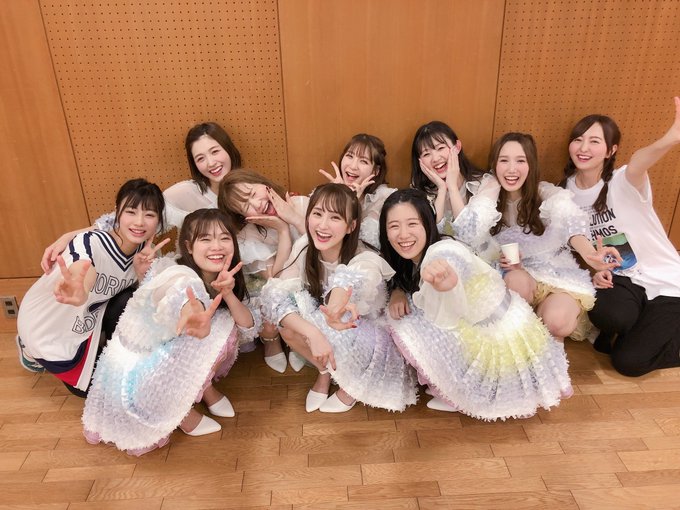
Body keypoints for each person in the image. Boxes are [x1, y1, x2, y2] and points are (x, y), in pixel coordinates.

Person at [380, 189, 572, 420]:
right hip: (501, 328)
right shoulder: (417, 255)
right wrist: (398, 291)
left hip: (500, 342)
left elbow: (451, 262)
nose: (403, 234)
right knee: (408, 308)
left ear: (428, 223)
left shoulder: (443, 249)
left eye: (412, 223)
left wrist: (447, 283)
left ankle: (458, 391)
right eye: (394, 226)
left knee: (404, 322)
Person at [82, 209, 258, 455]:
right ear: (189, 246)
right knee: (218, 332)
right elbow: (179, 292)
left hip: (151, 359)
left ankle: (205, 390)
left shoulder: (226, 276)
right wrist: (191, 311)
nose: (216, 246)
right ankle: (182, 413)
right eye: (205, 239)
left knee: (225, 324)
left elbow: (248, 326)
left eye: (224, 238)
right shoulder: (177, 271)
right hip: (136, 379)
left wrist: (227, 293)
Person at [261, 183, 417, 413]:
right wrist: (314, 333)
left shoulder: (365, 257)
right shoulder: (305, 246)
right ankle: (324, 372)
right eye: (317, 214)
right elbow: (275, 294)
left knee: (340, 322)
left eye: (335, 217)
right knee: (288, 327)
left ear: (350, 226)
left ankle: (352, 385)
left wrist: (335, 308)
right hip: (332, 323)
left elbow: (347, 281)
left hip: (370, 332)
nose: (323, 225)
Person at [454, 133, 620, 342]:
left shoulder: (545, 192)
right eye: (504, 161)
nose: (511, 169)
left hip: (556, 277)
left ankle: (545, 337)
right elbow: (469, 231)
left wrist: (590, 255)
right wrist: (490, 186)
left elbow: (570, 220)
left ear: (531, 165)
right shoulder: (490, 194)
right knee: (515, 282)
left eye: (520, 161)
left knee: (556, 322)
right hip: (518, 278)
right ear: (494, 165)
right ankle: (525, 338)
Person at [561, 96, 680, 376]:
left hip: (668, 285)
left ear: (611, 150)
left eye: (594, 141)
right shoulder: (565, 192)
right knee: (608, 315)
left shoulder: (624, 181)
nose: (583, 148)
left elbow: (639, 160)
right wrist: (595, 270)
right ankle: (644, 332)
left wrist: (671, 138)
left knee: (628, 363)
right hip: (624, 280)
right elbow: (576, 238)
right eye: (578, 140)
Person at [16, 179, 166, 395]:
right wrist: (80, 288)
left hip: (85, 317)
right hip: (45, 324)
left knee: (129, 299)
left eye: (149, 215)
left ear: (159, 220)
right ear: (117, 212)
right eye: (131, 212)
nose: (140, 222)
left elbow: (143, 304)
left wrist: (143, 275)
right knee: (92, 392)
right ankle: (29, 349)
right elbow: (83, 268)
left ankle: (111, 354)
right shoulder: (89, 242)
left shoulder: (147, 253)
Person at [40, 121, 241, 273]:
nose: (211, 163)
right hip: (195, 277)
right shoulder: (186, 192)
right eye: (200, 158)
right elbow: (133, 218)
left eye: (215, 151)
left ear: (229, 149)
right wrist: (70, 236)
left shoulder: (251, 190)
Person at [218, 169, 309, 373]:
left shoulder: (302, 204)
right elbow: (276, 277)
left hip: (310, 274)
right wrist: (282, 230)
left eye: (252, 193)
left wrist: (294, 219)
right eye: (246, 206)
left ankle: (296, 340)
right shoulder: (248, 236)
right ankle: (271, 339)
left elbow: (323, 250)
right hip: (274, 284)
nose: (256, 204)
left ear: (262, 182)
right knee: (272, 305)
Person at [410, 121, 487, 235]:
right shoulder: (419, 191)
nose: (435, 158)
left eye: (440, 148)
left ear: (457, 147)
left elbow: (470, 235)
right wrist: (441, 189)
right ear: (420, 161)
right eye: (426, 154)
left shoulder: (485, 183)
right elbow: (430, 234)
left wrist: (452, 187)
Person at [319, 133, 395, 247]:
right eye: (350, 156)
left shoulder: (384, 200)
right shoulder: (327, 194)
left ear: (376, 171)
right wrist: (341, 196)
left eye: (363, 161)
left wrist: (353, 201)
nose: (353, 166)